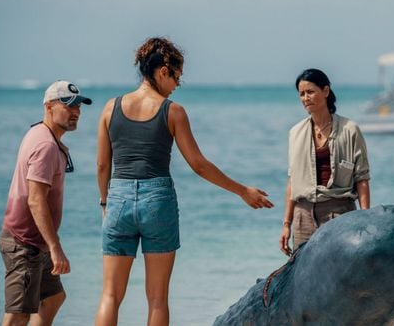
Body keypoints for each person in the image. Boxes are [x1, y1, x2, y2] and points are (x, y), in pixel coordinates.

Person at [94, 37, 274, 326]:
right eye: (177, 77)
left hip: (119, 197)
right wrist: (242, 191)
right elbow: (199, 165)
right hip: (157, 200)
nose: (177, 84)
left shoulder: (109, 108)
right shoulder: (172, 111)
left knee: (110, 296)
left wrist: (105, 202)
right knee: (157, 299)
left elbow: (103, 164)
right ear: (163, 71)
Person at [0, 80, 92, 326]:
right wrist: (55, 247)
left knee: (53, 298)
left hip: (35, 240)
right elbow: (36, 200)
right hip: (24, 242)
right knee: (19, 314)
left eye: (79, 106)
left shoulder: (41, 133)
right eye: (69, 106)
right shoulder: (46, 145)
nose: (76, 112)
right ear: (49, 106)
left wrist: (48, 245)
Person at [279, 68, 371, 256]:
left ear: (326, 91)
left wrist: (365, 219)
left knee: (340, 275)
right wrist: (286, 225)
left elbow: (362, 178)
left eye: (310, 92)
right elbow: (292, 181)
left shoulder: (350, 130)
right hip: (302, 216)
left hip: (339, 213)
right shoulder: (295, 132)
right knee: (302, 278)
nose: (306, 98)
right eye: (302, 94)